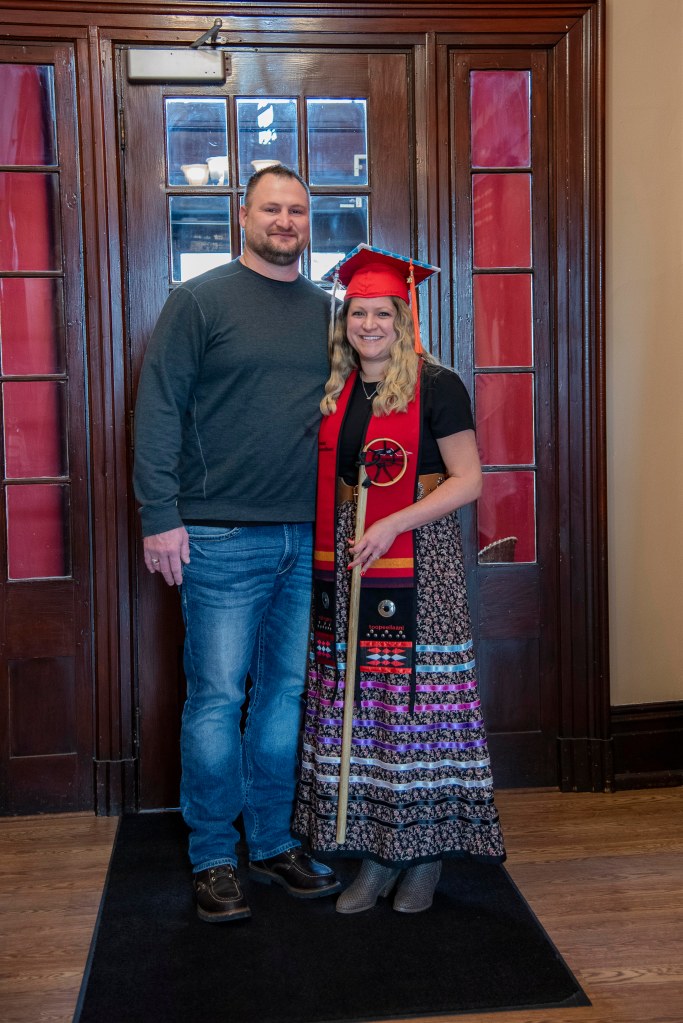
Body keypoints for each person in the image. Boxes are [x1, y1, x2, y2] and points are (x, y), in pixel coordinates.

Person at [133, 165, 341, 923]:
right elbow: (158, 407)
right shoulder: (199, 300)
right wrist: (160, 513)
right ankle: (213, 855)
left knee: (285, 697)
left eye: (297, 211)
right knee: (218, 697)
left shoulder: (328, 311)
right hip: (218, 534)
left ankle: (274, 840)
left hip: (306, 535)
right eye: (271, 209)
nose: (285, 221)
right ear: (242, 215)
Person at [293, 244, 506, 913]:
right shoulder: (338, 389)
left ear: (403, 317)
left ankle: (424, 855)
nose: (368, 324)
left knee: (415, 712)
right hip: (348, 560)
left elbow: (469, 481)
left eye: (380, 312)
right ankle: (379, 854)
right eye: (357, 312)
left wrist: (393, 524)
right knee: (367, 711)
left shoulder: (436, 384)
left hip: (418, 561)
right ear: (344, 320)